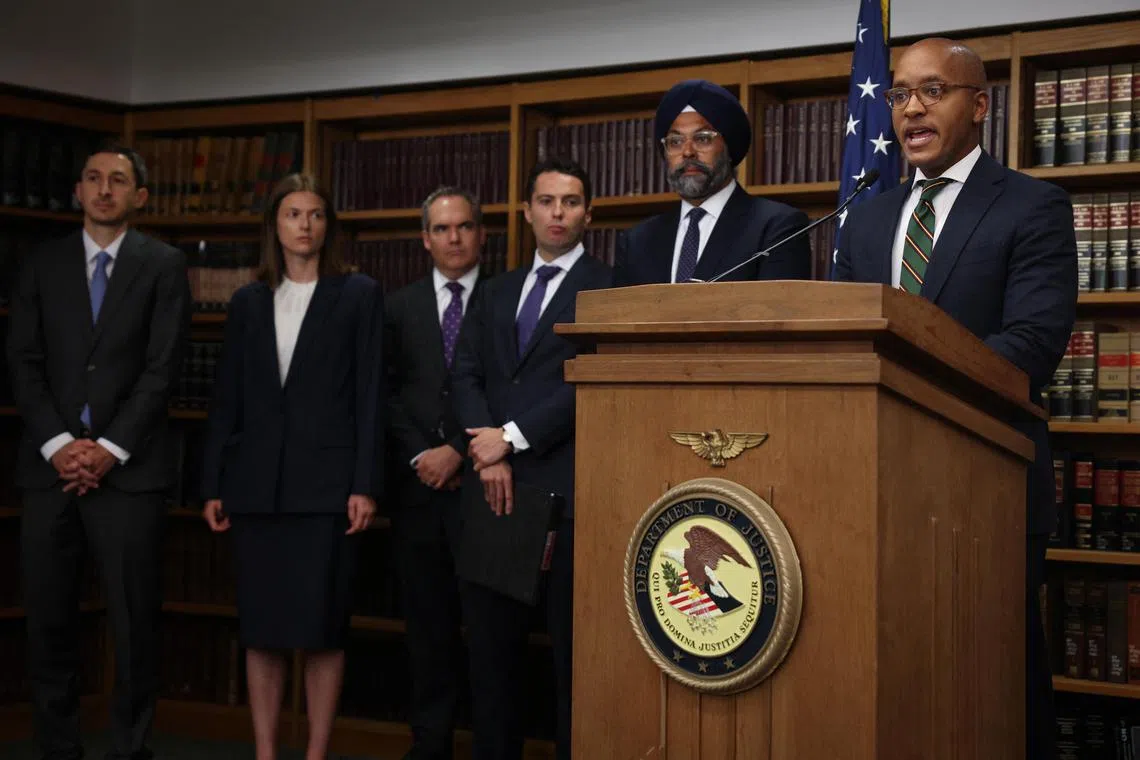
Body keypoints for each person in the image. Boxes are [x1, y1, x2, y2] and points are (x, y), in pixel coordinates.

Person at [832, 38, 1077, 760]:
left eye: (932, 90)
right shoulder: (867, 218)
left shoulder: (1034, 206)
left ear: (978, 105)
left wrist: (908, 394)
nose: (911, 108)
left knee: (992, 677)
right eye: (900, 93)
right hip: (873, 488)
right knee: (893, 672)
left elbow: (1030, 345)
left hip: (984, 487)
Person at [7, 142, 191, 760]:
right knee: (49, 623)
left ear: (139, 196)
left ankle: (130, 750)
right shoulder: (41, 263)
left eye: (118, 180)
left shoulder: (163, 266)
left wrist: (108, 449)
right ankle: (58, 749)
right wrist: (61, 446)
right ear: (78, 192)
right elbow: (23, 363)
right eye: (93, 178)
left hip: (129, 476)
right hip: (49, 472)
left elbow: (162, 369)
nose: (104, 189)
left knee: (135, 627)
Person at [199, 173, 384, 760]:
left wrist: (364, 485)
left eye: (315, 215)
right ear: (274, 226)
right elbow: (227, 400)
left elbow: (371, 396)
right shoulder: (249, 300)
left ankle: (316, 754)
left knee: (323, 633)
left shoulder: (357, 293)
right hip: (256, 490)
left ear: (327, 226)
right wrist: (213, 484)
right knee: (262, 633)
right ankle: (265, 752)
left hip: (327, 491)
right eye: (292, 214)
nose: (304, 225)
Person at [451, 157, 611, 760]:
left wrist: (512, 436)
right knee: (491, 667)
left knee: (572, 666)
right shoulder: (494, 290)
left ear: (588, 214)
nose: (557, 213)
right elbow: (465, 373)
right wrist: (487, 451)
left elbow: (593, 378)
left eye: (570, 202)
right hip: (492, 499)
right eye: (546, 201)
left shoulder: (608, 288)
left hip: (564, 504)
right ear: (526, 211)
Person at [385, 186, 487, 760]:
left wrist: (456, 449)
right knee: (426, 633)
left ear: (481, 234)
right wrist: (423, 455)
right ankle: (430, 747)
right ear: (425, 238)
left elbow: (503, 387)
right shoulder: (396, 307)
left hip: (483, 490)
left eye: (465, 227)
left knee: (488, 632)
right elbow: (388, 393)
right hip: (418, 495)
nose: (455, 238)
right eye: (443, 229)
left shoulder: (502, 299)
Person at [613, 79, 811, 286]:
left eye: (703, 138)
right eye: (675, 142)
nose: (687, 152)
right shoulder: (637, 240)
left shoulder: (777, 227)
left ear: (728, 146)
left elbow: (778, 314)